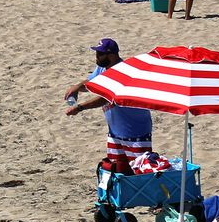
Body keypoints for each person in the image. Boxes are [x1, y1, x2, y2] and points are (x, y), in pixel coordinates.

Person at [64, 38, 154, 166]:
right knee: (117, 171)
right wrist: (77, 87)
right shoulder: (103, 68)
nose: (96, 57)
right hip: (115, 133)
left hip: (136, 133)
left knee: (140, 173)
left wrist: (79, 108)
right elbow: (93, 84)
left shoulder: (123, 71)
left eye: (100, 54)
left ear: (111, 55)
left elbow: (105, 98)